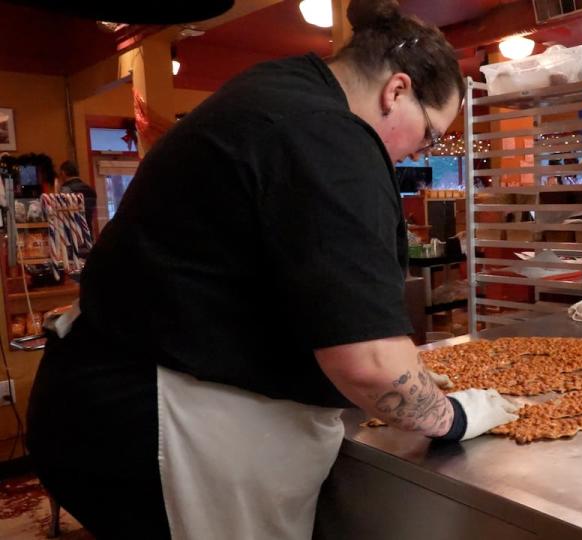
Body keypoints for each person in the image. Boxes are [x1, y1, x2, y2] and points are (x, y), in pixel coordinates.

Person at [26, 1, 517, 538]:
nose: (414, 154)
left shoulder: (278, 91)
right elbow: (370, 364)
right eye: (426, 134)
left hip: (95, 399)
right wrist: (452, 415)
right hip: (161, 419)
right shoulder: (331, 135)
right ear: (395, 91)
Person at [56, 160, 97, 230]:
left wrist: (57, 189)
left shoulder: (66, 190)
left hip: (72, 233)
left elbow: (61, 214)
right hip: (88, 230)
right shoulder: (91, 190)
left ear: (63, 173)